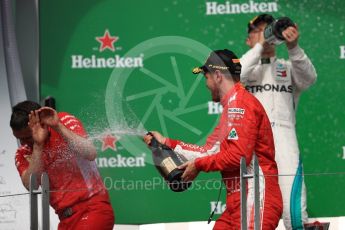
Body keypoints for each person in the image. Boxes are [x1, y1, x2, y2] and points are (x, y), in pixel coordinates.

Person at [144, 49, 283, 229]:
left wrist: (198, 165)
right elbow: (208, 152)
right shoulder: (232, 106)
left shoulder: (239, 104)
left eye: (206, 77)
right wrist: (166, 143)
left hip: (255, 196)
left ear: (217, 75)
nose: (206, 83)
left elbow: (239, 157)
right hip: (238, 199)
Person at [240, 14, 317, 230]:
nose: (265, 35)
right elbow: (234, 77)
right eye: (258, 31)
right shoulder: (245, 68)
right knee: (255, 215)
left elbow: (309, 78)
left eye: (268, 30)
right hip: (253, 145)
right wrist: (259, 48)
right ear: (248, 40)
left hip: (285, 141)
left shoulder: (288, 66)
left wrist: (293, 47)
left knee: (295, 214)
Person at [10, 101, 114, 230]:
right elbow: (31, 185)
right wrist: (38, 145)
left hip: (92, 209)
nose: (23, 143)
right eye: (19, 138)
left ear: (41, 123)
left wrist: (58, 126)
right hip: (65, 220)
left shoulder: (62, 120)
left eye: (27, 137)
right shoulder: (23, 152)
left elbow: (90, 153)